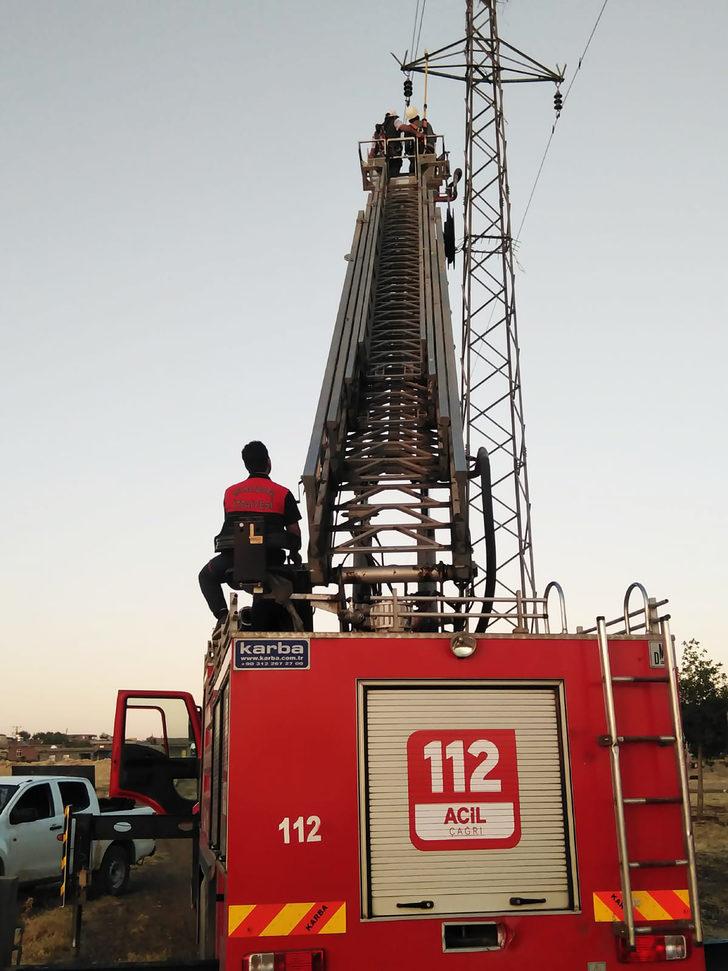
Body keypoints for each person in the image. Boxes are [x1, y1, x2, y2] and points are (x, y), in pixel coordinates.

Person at [199, 441, 302, 631]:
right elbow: (295, 531)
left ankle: (223, 616)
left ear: (246, 464)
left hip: (235, 559)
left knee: (206, 576)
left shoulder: (230, 493)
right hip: (272, 559)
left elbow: (233, 528)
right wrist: (295, 553)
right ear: (268, 462)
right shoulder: (283, 493)